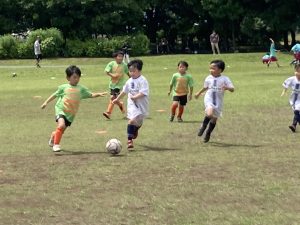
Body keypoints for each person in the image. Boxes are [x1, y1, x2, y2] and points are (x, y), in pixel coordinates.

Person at [41, 65, 107, 152]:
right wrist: (46, 102)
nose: (77, 79)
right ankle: (56, 145)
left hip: (71, 114)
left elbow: (90, 94)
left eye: (78, 77)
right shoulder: (63, 87)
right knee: (61, 125)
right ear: (68, 78)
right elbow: (55, 95)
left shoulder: (81, 89)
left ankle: (54, 136)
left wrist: (98, 94)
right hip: (61, 110)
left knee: (61, 130)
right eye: (74, 77)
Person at [112, 59, 149, 149]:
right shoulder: (129, 81)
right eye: (130, 71)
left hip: (142, 105)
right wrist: (117, 99)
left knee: (139, 122)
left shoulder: (143, 80)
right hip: (132, 105)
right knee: (132, 120)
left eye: (134, 71)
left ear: (139, 70)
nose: (131, 73)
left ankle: (135, 129)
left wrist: (135, 97)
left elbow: (143, 93)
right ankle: (129, 140)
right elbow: (124, 91)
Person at [195, 59, 234, 143]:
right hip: (209, 98)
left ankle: (208, 133)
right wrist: (198, 93)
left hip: (218, 101)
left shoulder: (225, 79)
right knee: (209, 113)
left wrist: (227, 88)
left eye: (213, 68)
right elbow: (205, 87)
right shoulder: (208, 78)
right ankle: (203, 126)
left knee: (214, 119)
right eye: (210, 68)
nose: (210, 70)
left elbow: (232, 89)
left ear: (220, 70)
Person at [103, 51, 129, 119]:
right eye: (119, 56)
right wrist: (113, 75)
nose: (120, 58)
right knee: (114, 98)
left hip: (119, 85)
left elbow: (128, 73)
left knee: (112, 97)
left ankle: (108, 113)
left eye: (122, 57)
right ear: (115, 57)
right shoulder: (111, 63)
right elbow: (106, 71)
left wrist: (133, 79)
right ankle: (120, 104)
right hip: (112, 85)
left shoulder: (124, 65)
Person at [281, 63, 300, 132]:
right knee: (297, 112)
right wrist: (283, 92)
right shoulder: (292, 79)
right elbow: (286, 85)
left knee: (297, 111)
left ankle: (293, 125)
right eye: (297, 71)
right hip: (294, 98)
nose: (298, 73)